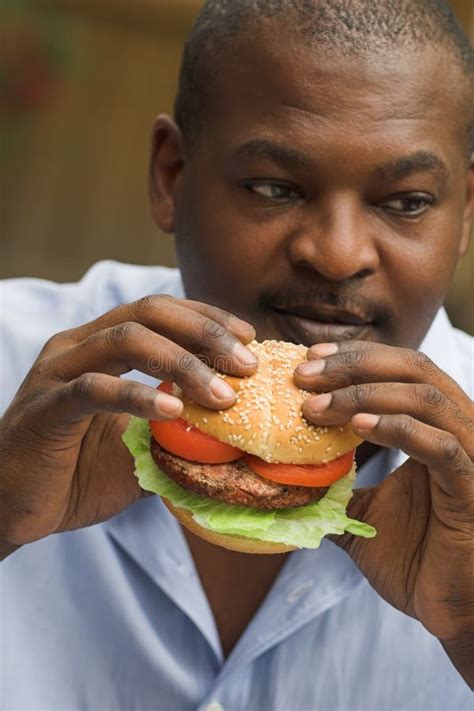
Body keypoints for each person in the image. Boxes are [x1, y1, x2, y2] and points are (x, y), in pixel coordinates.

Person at [1, 0, 473, 708]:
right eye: (274, 187)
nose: (338, 255)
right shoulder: (14, 360)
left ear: (465, 213)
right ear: (171, 175)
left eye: (406, 202)